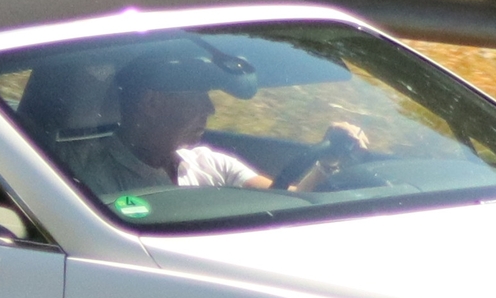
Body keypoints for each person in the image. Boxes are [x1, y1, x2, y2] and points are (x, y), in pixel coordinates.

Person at [64, 56, 368, 204]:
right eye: (198, 96)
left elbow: (288, 200)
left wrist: (327, 162)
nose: (210, 109)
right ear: (152, 103)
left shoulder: (211, 163)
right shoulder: (91, 177)